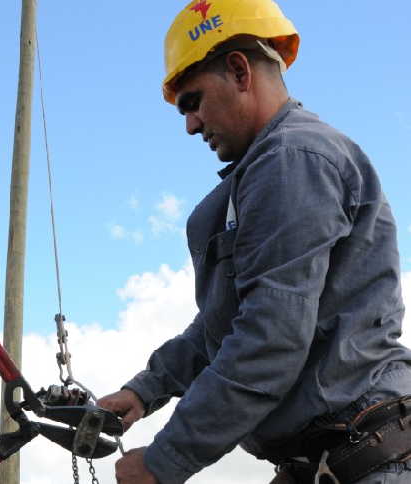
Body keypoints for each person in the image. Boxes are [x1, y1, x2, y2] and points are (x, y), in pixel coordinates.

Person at [97, 1, 411, 483]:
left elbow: (270, 337)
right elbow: (222, 325)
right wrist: (145, 390)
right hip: (328, 458)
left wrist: (163, 462)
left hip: (366, 453)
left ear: (240, 71)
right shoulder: (256, 179)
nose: (190, 124)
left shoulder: (292, 159)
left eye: (192, 101)